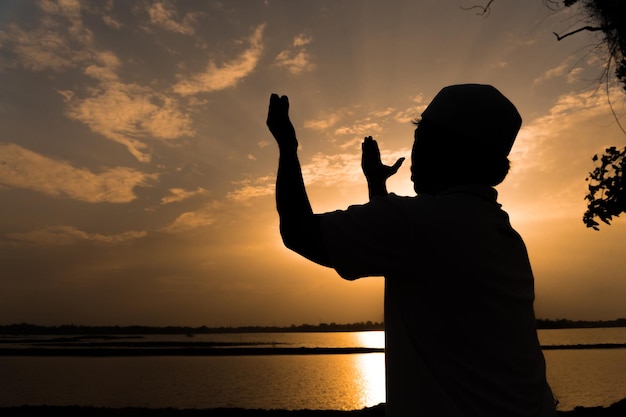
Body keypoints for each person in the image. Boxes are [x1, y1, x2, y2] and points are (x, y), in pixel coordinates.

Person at [266, 84, 556, 417]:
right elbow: (399, 250)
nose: (414, 150)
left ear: (442, 149)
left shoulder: (419, 223)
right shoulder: (501, 232)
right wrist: (377, 185)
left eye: (419, 139)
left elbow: (298, 232)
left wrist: (287, 146)